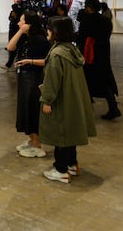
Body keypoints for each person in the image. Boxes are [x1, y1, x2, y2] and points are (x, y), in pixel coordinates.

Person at [39, 16, 96, 184]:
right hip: (73, 99)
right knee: (70, 133)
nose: (47, 31)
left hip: (62, 100)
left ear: (56, 32)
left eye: (49, 28)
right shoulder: (71, 49)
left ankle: (61, 170)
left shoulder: (57, 54)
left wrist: (47, 100)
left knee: (61, 135)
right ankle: (72, 164)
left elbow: (52, 81)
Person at [6, 11, 50, 158]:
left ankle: (37, 143)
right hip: (24, 78)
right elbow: (10, 47)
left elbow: (48, 61)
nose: (19, 23)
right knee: (25, 108)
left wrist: (29, 61)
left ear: (30, 24)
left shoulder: (40, 40)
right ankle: (31, 140)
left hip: (34, 78)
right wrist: (20, 31)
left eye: (22, 21)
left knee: (32, 109)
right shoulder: (26, 37)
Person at [77, 0, 121, 120]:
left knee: (87, 80)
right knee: (105, 80)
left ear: (89, 8)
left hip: (90, 55)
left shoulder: (87, 21)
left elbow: (81, 37)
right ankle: (113, 107)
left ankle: (87, 110)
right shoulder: (106, 21)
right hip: (103, 54)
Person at [3, 4, 21, 70]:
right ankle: (10, 64)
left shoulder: (19, 14)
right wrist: (12, 18)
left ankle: (11, 65)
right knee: (12, 48)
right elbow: (10, 18)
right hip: (12, 31)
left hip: (16, 32)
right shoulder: (12, 12)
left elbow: (17, 22)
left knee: (15, 50)